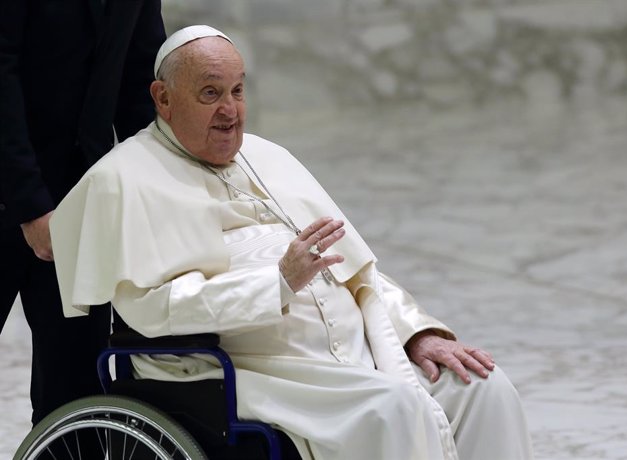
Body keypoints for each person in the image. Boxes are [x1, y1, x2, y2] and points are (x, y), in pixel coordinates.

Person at [49, 25, 534, 460]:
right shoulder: (125, 179)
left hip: (350, 359)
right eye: (210, 93)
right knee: (395, 410)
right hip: (253, 372)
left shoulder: (267, 155)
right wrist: (277, 283)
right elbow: (155, 308)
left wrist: (416, 332)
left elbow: (355, 270)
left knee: (483, 390)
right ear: (163, 98)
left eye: (238, 92)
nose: (229, 111)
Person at [0, 0, 166, 426]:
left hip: (82, 196)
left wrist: (160, 191)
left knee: (76, 397)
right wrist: (31, 205)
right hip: (13, 184)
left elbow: (141, 81)